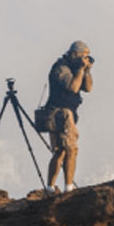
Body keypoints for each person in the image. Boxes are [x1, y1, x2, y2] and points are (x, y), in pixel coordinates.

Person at [42, 40, 93, 193]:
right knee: (70, 149)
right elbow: (73, 87)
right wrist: (80, 70)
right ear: (74, 54)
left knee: (61, 151)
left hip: (67, 113)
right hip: (59, 113)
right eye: (83, 56)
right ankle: (68, 188)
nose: (85, 59)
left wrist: (87, 71)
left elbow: (88, 88)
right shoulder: (61, 68)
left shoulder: (76, 68)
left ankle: (50, 188)